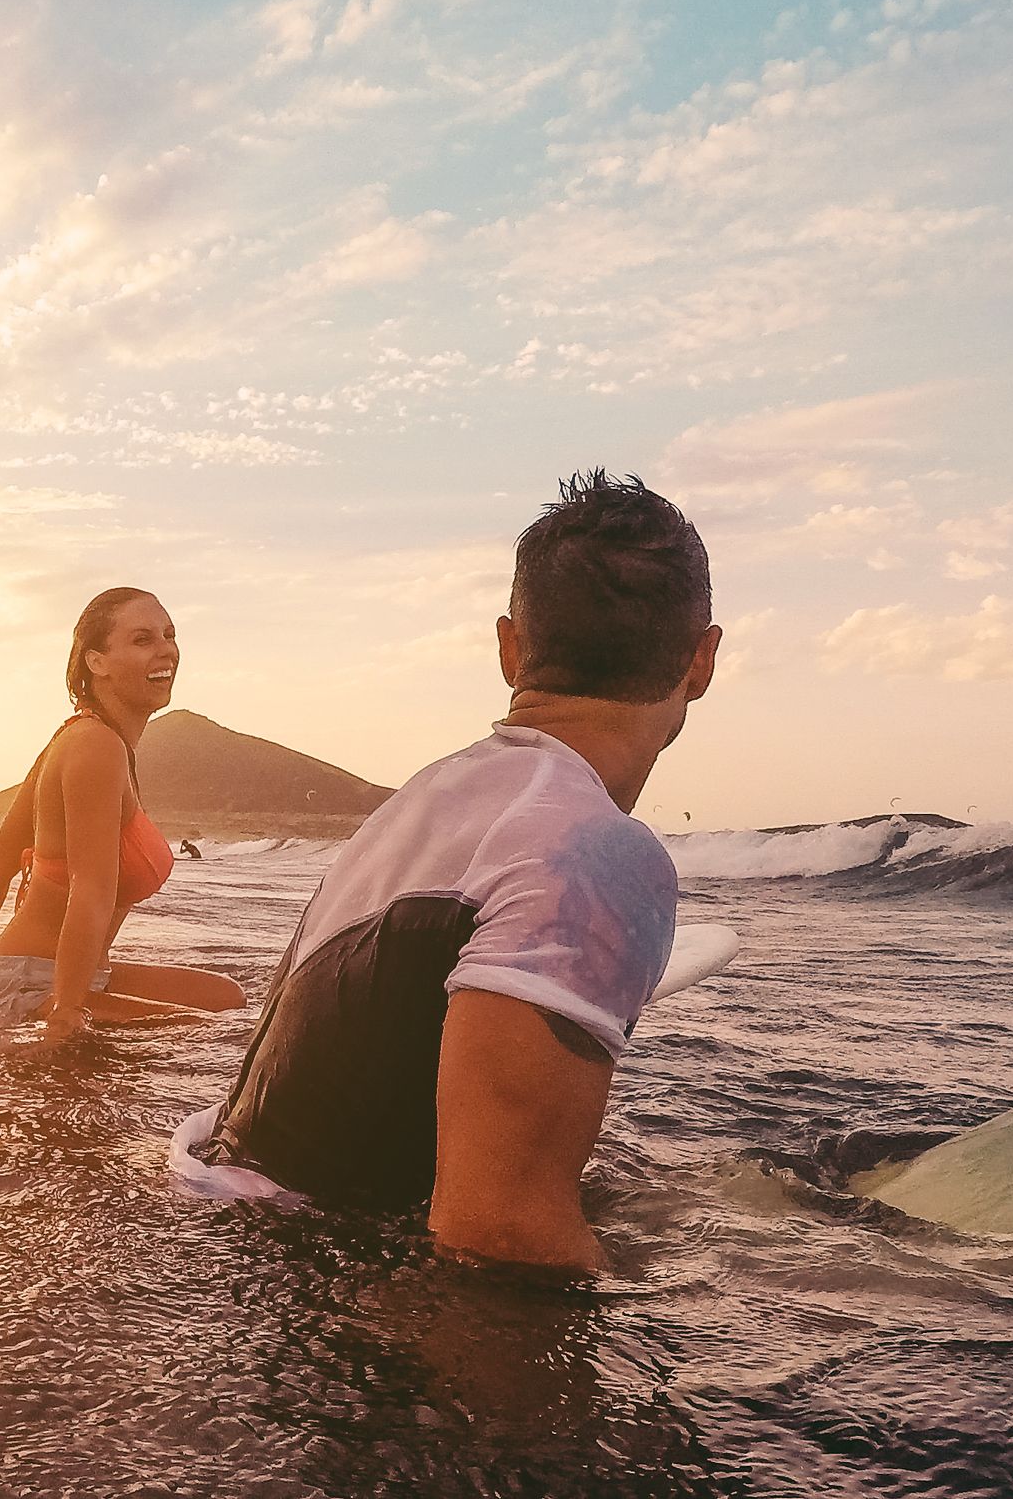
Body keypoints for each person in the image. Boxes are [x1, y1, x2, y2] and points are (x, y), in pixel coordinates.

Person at [180, 472, 719, 1272]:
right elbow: (498, 1235)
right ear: (702, 661)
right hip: (330, 1322)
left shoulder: (424, 802)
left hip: (232, 1250)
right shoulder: (593, 850)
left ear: (509, 649)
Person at [0, 588, 245, 1040]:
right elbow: (90, 890)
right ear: (96, 661)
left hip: (50, 976)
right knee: (209, 1033)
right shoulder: (95, 746)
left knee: (226, 999)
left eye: (169, 635)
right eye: (142, 639)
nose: (165, 649)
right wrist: (67, 1014)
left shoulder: (85, 740)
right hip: (32, 984)